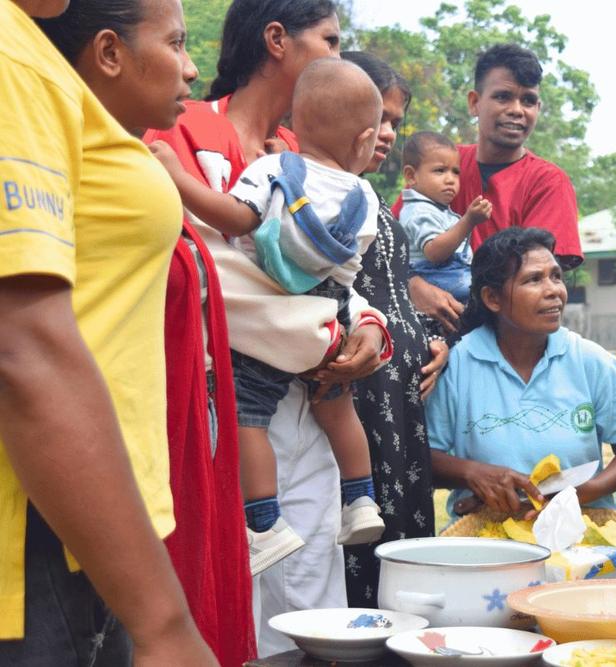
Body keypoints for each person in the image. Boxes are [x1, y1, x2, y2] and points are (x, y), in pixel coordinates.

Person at [145, 0, 390, 655]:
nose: (342, 56)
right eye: (331, 39)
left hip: (310, 404)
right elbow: (199, 273)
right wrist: (305, 329)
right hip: (223, 406)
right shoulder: (180, 131)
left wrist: (367, 328)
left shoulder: (306, 160)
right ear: (276, 39)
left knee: (313, 590)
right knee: (233, 602)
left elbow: (340, 273)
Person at [36, 0, 255, 663]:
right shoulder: (43, 104)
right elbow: (25, 343)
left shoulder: (114, 138)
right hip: (64, 496)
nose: (191, 68)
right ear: (109, 53)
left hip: (117, 481)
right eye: (177, 44)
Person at [426, 227, 616, 519]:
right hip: (485, 542)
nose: (554, 291)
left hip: (577, 537)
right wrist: (472, 473)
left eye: (556, 276)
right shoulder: (456, 365)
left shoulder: (591, 362)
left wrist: (581, 493)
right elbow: (425, 459)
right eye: (534, 279)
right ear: (492, 298)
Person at [339, 51, 448, 606]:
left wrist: (434, 341)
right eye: (378, 117)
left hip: (404, 392)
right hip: (364, 393)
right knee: (370, 530)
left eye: (395, 125)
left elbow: (393, 285)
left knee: (407, 528)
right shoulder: (320, 187)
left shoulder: (372, 195)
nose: (386, 134)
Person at [400, 44, 583, 333]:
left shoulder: (549, 182)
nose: (516, 110)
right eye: (503, 97)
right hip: (426, 332)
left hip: (507, 340)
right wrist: (412, 284)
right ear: (474, 102)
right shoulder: (442, 165)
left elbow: (539, 283)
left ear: (538, 109)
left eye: (528, 100)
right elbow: (392, 244)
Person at [399, 131, 492, 304]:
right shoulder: (418, 210)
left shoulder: (438, 209)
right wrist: (469, 220)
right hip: (433, 275)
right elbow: (435, 252)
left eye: (455, 172)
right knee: (486, 291)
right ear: (411, 176)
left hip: (452, 273)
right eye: (440, 171)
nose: (450, 179)